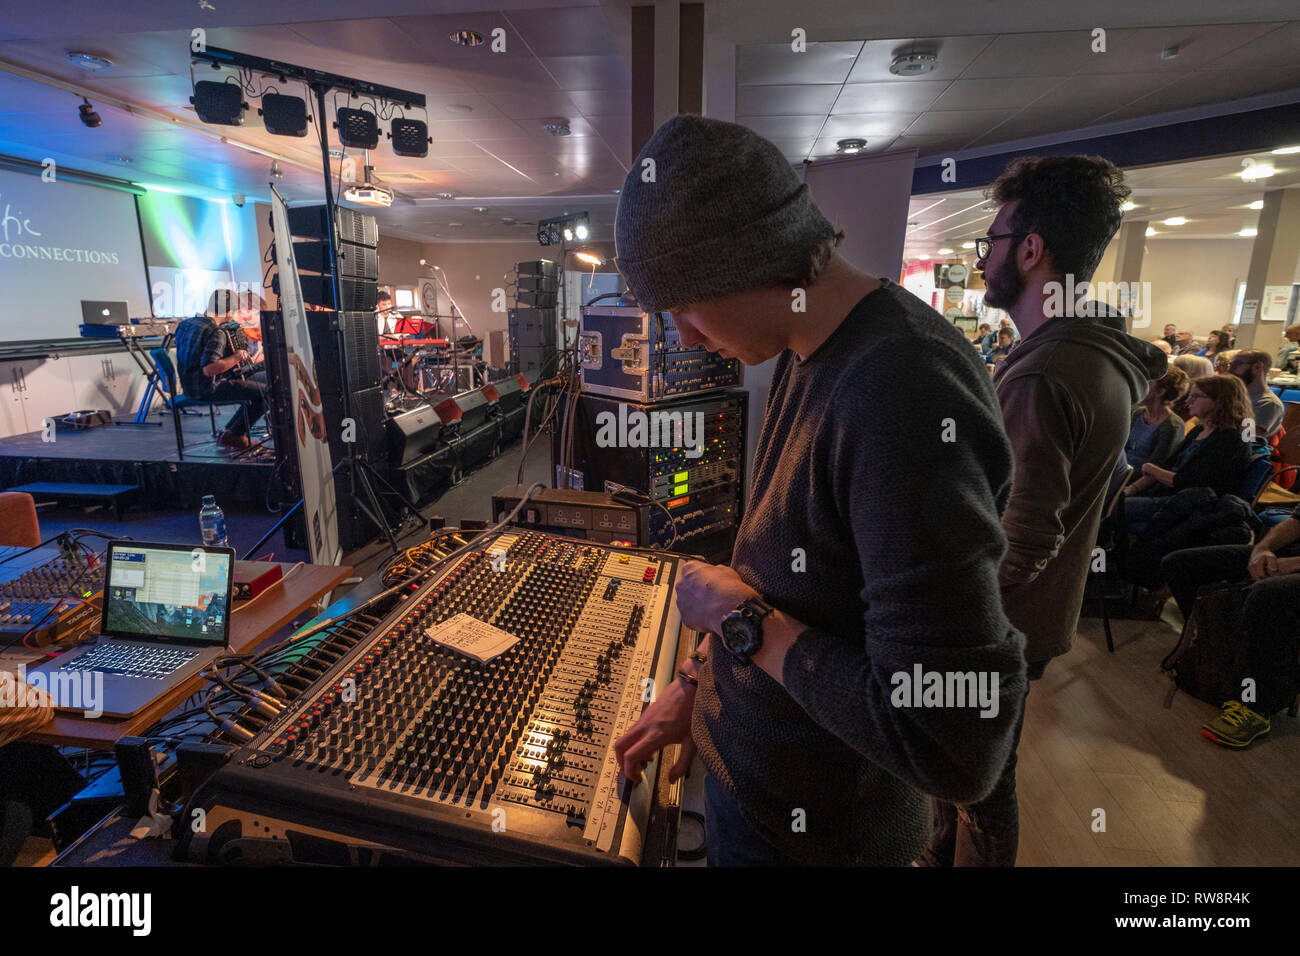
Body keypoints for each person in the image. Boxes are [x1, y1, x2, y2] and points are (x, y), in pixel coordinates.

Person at [609, 114, 1027, 867]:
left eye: (686, 304)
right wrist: (697, 688)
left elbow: (953, 738)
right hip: (764, 801)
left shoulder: (904, 389)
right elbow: (786, 584)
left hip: (824, 839)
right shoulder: (813, 349)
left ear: (751, 258)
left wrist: (740, 620)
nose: (688, 338)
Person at [914, 154, 1164, 868]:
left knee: (976, 784)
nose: (983, 259)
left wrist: (942, 621)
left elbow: (1022, 539)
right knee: (974, 777)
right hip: (1036, 625)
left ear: (1030, 249)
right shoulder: (1095, 355)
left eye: (988, 243)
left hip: (1000, 631)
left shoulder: (1050, 371)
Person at [1161, 512, 1300, 748]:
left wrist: (1295, 564)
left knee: (1265, 596)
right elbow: (1296, 521)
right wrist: (1262, 549)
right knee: (1179, 564)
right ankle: (1213, 656)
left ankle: (1254, 706)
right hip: (1292, 558)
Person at [1121, 374, 1254, 536]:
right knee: (1111, 500)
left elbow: (1190, 482)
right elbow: (1168, 465)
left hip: (1194, 504)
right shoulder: (1200, 429)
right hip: (1170, 494)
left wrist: (1151, 469)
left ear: (1220, 400)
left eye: (1196, 396)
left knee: (1114, 507)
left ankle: (1113, 553)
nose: (1188, 401)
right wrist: (1133, 488)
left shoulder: (1231, 439)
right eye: (1190, 395)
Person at [174, 289, 270, 449]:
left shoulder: (185, 324)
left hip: (188, 386)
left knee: (257, 383)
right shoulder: (216, 331)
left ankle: (231, 433)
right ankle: (234, 434)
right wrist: (237, 357)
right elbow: (209, 369)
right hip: (209, 387)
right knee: (266, 392)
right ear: (228, 311)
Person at [1125, 367, 1188, 472]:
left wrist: (1129, 486)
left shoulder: (1172, 426)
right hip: (1123, 472)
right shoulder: (1138, 413)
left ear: (1161, 392)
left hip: (1138, 481)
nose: (1140, 387)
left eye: (1147, 383)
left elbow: (1156, 468)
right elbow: (1123, 450)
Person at [1227, 348, 1284, 438]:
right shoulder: (1235, 396)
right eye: (1230, 365)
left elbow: (1246, 438)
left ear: (1257, 367)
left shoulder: (1268, 403)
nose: (1229, 371)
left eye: (1236, 365)